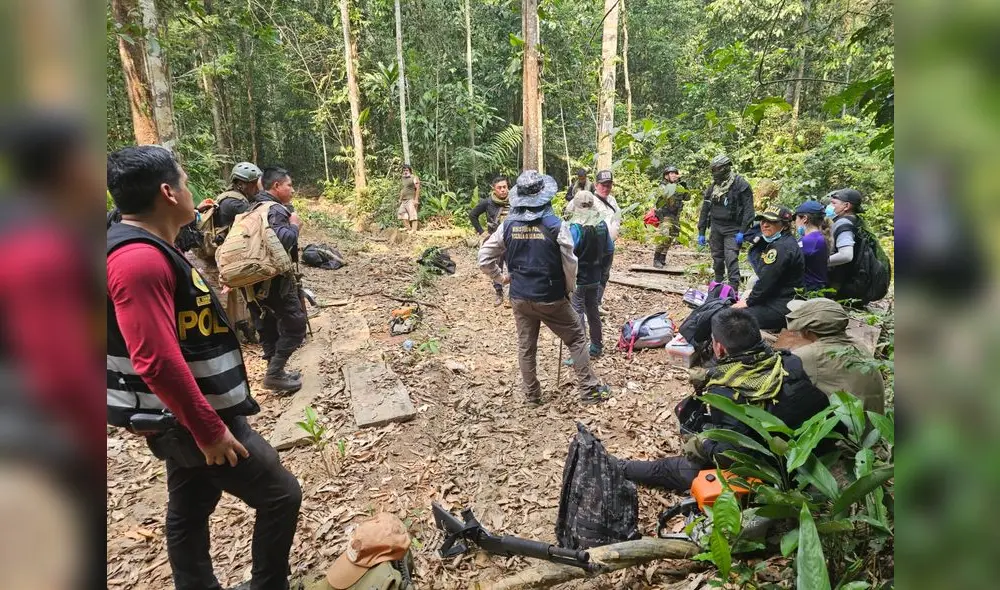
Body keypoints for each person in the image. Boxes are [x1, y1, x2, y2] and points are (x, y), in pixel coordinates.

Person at [106, 146, 301, 590]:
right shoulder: (138, 260)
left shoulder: (150, 246)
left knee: (190, 506)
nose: (192, 191)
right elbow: (154, 358)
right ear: (167, 192)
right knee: (280, 496)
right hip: (190, 417)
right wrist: (209, 430)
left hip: (181, 415)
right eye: (186, 181)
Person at [618, 308, 829, 492]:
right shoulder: (788, 361)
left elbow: (732, 454)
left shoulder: (727, 391)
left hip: (771, 470)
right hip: (807, 451)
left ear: (719, 347)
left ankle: (620, 467)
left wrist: (705, 443)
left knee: (671, 468)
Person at [479, 170, 612, 406]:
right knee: (577, 338)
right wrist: (569, 290)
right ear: (544, 196)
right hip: (551, 297)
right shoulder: (555, 225)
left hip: (520, 296)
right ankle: (589, 391)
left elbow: (484, 258)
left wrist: (501, 279)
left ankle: (532, 396)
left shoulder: (507, 225)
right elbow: (571, 263)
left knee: (526, 347)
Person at [248, 167, 307, 393]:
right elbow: (284, 241)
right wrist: (294, 225)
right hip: (272, 280)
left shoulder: (252, 207)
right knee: (295, 325)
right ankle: (274, 373)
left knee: (267, 325)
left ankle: (276, 372)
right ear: (276, 186)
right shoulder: (274, 210)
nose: (292, 189)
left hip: (252, 280)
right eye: (289, 185)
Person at [785, 298, 885, 414]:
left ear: (807, 332)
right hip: (874, 428)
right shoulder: (859, 345)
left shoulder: (808, 356)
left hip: (848, 430)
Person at [733, 207, 804, 331]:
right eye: (762, 221)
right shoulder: (781, 242)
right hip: (776, 299)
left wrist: (748, 301)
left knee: (730, 318)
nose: (765, 225)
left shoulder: (781, 248)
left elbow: (766, 280)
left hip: (781, 305)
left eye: (771, 222)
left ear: (785, 226)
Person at [567, 191, 614, 358]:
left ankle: (579, 352)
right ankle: (596, 346)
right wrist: (603, 274)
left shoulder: (575, 227)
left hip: (579, 278)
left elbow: (568, 253)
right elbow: (609, 250)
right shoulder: (601, 224)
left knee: (577, 312)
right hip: (595, 276)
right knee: (592, 310)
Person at [697, 155, 755, 290]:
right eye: (713, 169)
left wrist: (742, 231)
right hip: (716, 227)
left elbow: (749, 211)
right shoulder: (713, 188)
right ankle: (718, 284)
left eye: (716, 169)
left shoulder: (741, 185)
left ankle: (733, 288)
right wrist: (701, 231)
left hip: (733, 228)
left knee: (731, 258)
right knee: (717, 258)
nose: (714, 173)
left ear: (725, 168)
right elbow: (705, 210)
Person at [469, 175, 511, 305]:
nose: (503, 190)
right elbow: (473, 215)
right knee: (496, 266)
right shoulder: (488, 202)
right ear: (494, 189)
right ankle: (499, 293)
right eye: (500, 188)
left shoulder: (515, 201)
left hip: (512, 240)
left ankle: (512, 295)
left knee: (513, 266)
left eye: (505, 187)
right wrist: (482, 232)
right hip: (495, 240)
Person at [825, 187, 864, 293]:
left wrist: (822, 262)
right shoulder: (856, 220)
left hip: (842, 282)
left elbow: (846, 255)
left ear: (846, 206)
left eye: (833, 203)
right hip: (854, 279)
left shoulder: (843, 223)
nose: (830, 207)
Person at [652, 165, 690, 268]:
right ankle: (656, 259)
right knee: (664, 236)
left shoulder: (679, 186)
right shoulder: (663, 186)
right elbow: (666, 197)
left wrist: (684, 187)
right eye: (671, 173)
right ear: (666, 176)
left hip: (675, 215)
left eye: (675, 173)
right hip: (665, 215)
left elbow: (687, 198)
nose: (674, 175)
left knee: (671, 237)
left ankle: (662, 257)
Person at [793, 200, 830, 292]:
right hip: (818, 287)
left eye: (796, 218)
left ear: (804, 219)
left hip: (809, 289)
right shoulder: (820, 237)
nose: (795, 222)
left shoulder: (808, 241)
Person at [397, 163, 421, 232]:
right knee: (401, 213)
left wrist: (416, 199)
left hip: (411, 199)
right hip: (404, 200)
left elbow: (418, 188)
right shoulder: (403, 178)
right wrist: (400, 199)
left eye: (407, 170)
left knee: (413, 215)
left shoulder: (414, 178)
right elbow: (403, 189)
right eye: (404, 170)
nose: (405, 171)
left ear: (410, 171)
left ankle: (414, 230)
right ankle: (408, 228)